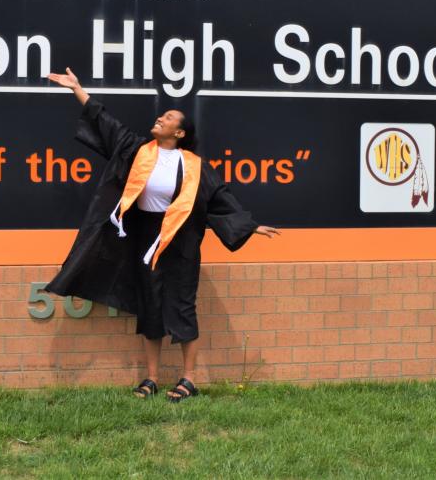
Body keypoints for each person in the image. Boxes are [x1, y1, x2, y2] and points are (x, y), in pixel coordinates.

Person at [44, 68, 279, 402]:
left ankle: (188, 379)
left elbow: (218, 198)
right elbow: (104, 121)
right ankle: (152, 378)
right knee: (150, 305)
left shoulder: (194, 165)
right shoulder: (138, 149)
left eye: (168, 118)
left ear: (179, 132)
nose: (160, 118)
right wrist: (77, 90)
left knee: (182, 304)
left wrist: (249, 225)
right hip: (145, 237)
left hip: (181, 240)